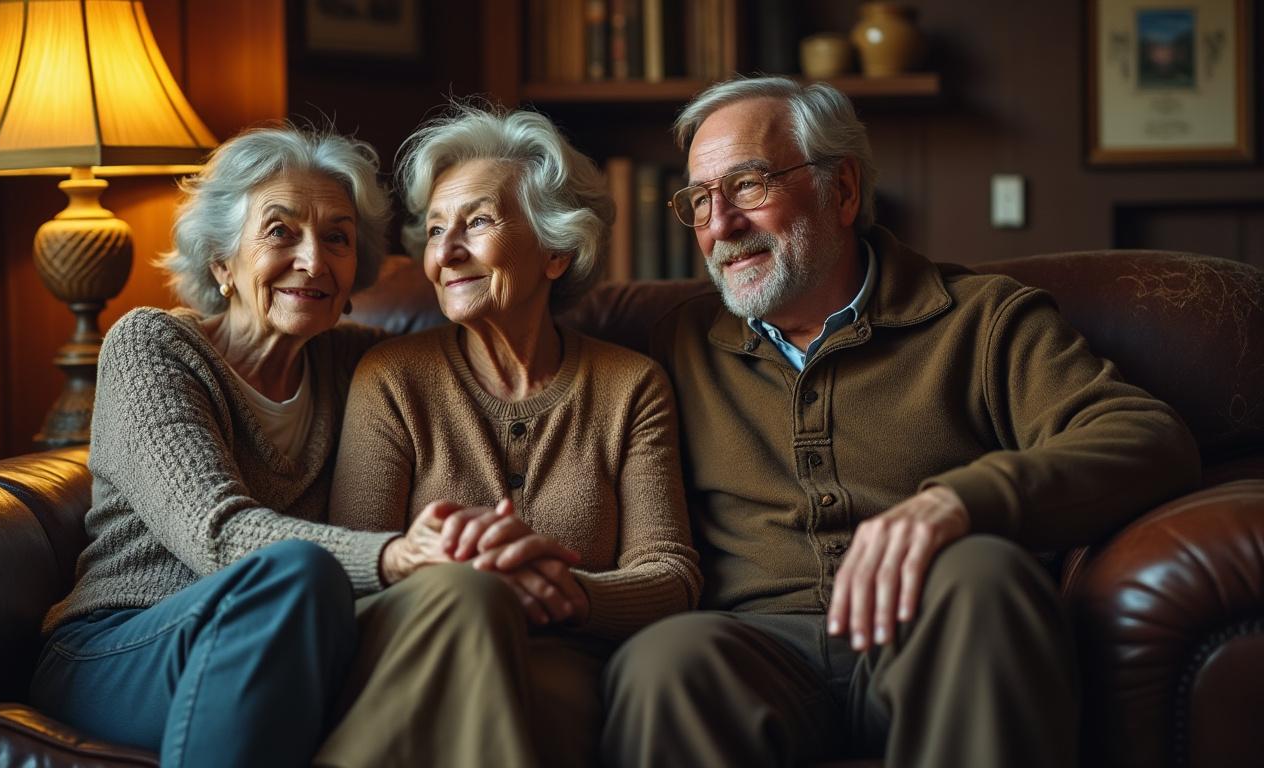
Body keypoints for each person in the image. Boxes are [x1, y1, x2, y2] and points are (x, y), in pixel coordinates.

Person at [600, 76, 1201, 767]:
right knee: (663, 661)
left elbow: (1147, 437)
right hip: (753, 653)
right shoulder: (673, 346)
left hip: (934, 636)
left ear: (843, 190)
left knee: (981, 574)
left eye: (748, 185)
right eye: (700, 201)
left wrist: (959, 504)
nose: (721, 225)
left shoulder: (982, 320)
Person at [321, 103, 701, 767]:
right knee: (469, 592)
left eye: (478, 222)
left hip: (564, 668)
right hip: (415, 654)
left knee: (548, 703)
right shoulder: (392, 377)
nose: (447, 252)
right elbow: (354, 561)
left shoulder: (629, 386)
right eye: (437, 230)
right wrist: (460, 569)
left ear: (557, 250)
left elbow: (670, 574)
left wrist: (564, 590)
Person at [29, 125, 401, 767]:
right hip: (120, 648)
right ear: (222, 261)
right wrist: (395, 557)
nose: (313, 260)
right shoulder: (151, 347)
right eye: (281, 231)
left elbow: (473, 376)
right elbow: (218, 533)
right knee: (297, 572)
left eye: (336, 238)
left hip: (277, 641)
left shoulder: (363, 364)